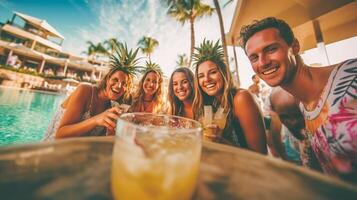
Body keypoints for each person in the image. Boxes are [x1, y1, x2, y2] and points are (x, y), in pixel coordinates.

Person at [240, 17, 357, 180]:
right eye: (254, 57)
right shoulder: (304, 108)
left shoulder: (351, 75)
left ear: (294, 46)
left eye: (271, 49)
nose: (263, 62)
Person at [43, 44, 139, 140]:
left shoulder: (112, 107)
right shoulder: (85, 90)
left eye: (124, 84)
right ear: (107, 79)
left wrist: (113, 131)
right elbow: (60, 135)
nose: (119, 86)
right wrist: (96, 120)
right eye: (115, 80)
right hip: (52, 148)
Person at [192, 40, 267, 154]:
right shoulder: (211, 104)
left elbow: (260, 153)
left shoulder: (241, 98)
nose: (206, 79)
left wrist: (220, 142)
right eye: (201, 76)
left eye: (212, 72)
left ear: (224, 73)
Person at [268, 87, 322, 170]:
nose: (293, 122)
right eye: (284, 117)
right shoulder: (277, 127)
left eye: (297, 114)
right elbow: (276, 148)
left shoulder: (317, 130)